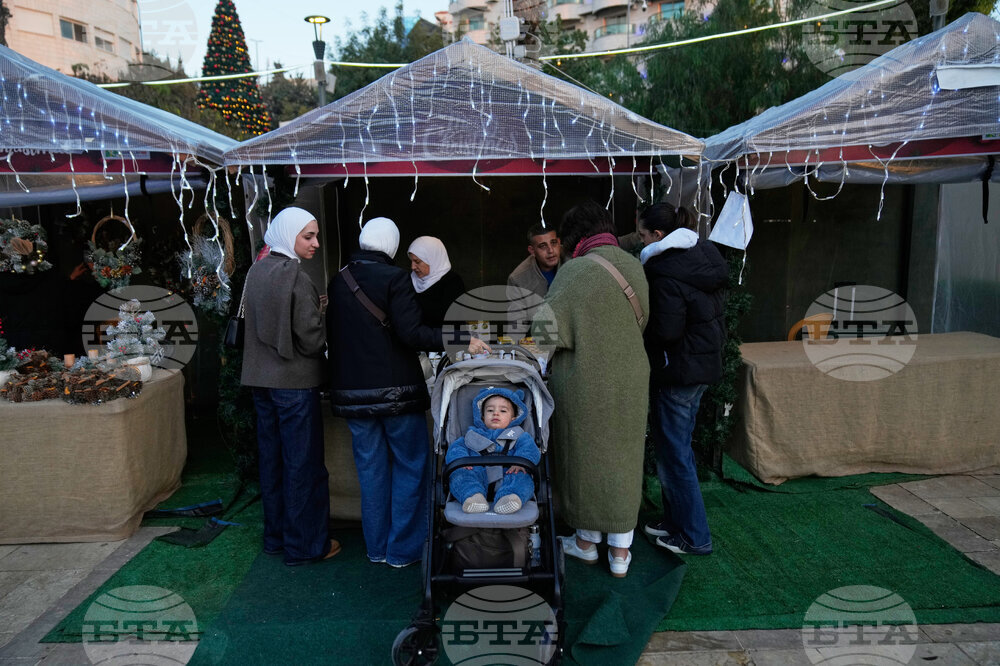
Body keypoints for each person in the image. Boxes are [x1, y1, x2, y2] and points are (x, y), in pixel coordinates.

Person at [327, 217, 489, 568]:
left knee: (370, 472)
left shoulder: (339, 280)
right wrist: (463, 340)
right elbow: (412, 333)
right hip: (396, 393)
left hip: (352, 395)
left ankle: (376, 549)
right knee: (410, 466)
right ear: (392, 245)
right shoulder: (396, 279)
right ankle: (402, 551)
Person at [531, 200, 649, 578]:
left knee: (583, 460)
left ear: (572, 238)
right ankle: (620, 553)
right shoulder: (635, 264)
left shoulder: (574, 271)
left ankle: (585, 544)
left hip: (583, 380)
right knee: (625, 459)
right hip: (631, 376)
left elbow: (546, 333)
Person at [241, 206, 339, 566]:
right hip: (295, 383)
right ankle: (305, 546)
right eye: (308, 236)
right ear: (289, 235)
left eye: (315, 235)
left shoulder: (256, 270)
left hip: (259, 381)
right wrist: (323, 317)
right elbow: (312, 341)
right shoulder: (295, 276)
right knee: (303, 465)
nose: (315, 243)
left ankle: (277, 538)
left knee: (272, 462)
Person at [637, 203, 728, 556]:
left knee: (674, 453)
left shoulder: (664, 271)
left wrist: (640, 330)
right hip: (700, 368)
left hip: (678, 370)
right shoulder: (702, 255)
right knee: (679, 449)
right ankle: (677, 523)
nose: (641, 241)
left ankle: (694, 536)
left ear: (658, 236)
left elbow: (667, 330)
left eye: (643, 235)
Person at [445, 387, 540, 515]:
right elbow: (456, 449)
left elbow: (529, 450)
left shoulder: (519, 435)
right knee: (460, 475)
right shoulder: (472, 435)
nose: (496, 413)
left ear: (513, 417)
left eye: (503, 411)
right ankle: (473, 497)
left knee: (522, 477)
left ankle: (510, 498)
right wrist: (461, 461)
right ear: (482, 416)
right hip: (477, 475)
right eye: (490, 410)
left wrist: (520, 462)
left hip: (509, 473)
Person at [407, 236, 466, 327]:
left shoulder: (452, 282)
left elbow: (455, 323)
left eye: (417, 261)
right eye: (411, 261)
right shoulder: (410, 281)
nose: (413, 267)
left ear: (432, 258)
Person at [507, 225, 562, 298]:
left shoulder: (573, 256)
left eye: (553, 242)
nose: (550, 250)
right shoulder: (518, 280)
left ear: (559, 242)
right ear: (532, 251)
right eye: (543, 246)